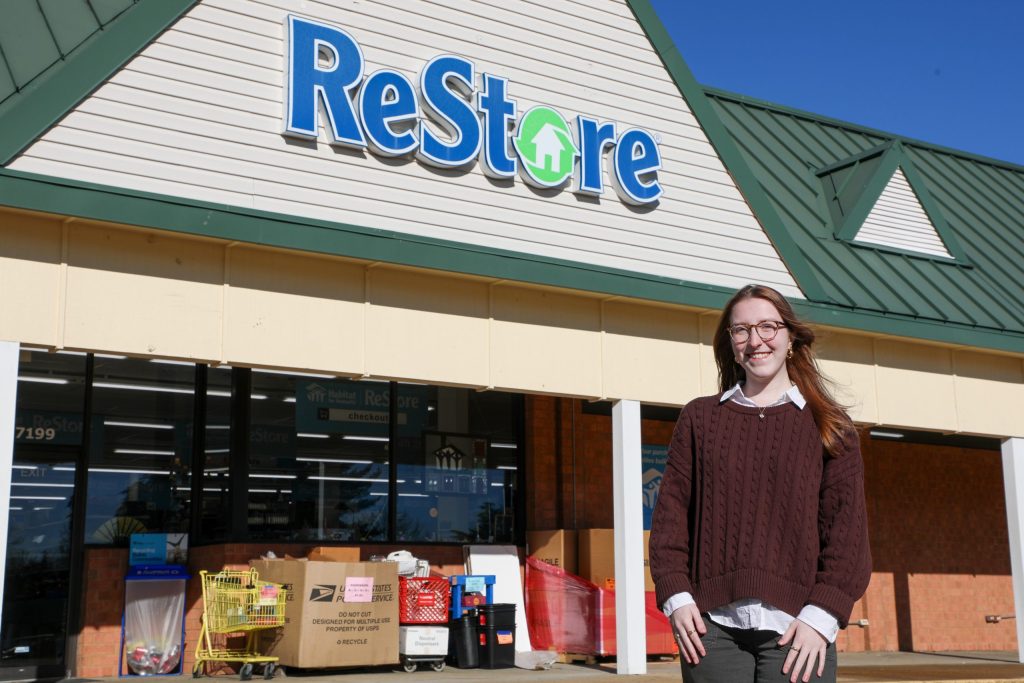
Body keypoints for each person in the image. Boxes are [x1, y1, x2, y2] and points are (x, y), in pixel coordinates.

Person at [649, 284, 871, 683]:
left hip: (799, 628)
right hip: (710, 629)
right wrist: (677, 599)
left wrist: (821, 617)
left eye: (768, 327)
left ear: (790, 338)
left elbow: (847, 537)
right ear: (731, 344)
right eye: (741, 330)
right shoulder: (699, 419)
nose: (755, 340)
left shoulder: (831, 427)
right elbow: (670, 522)